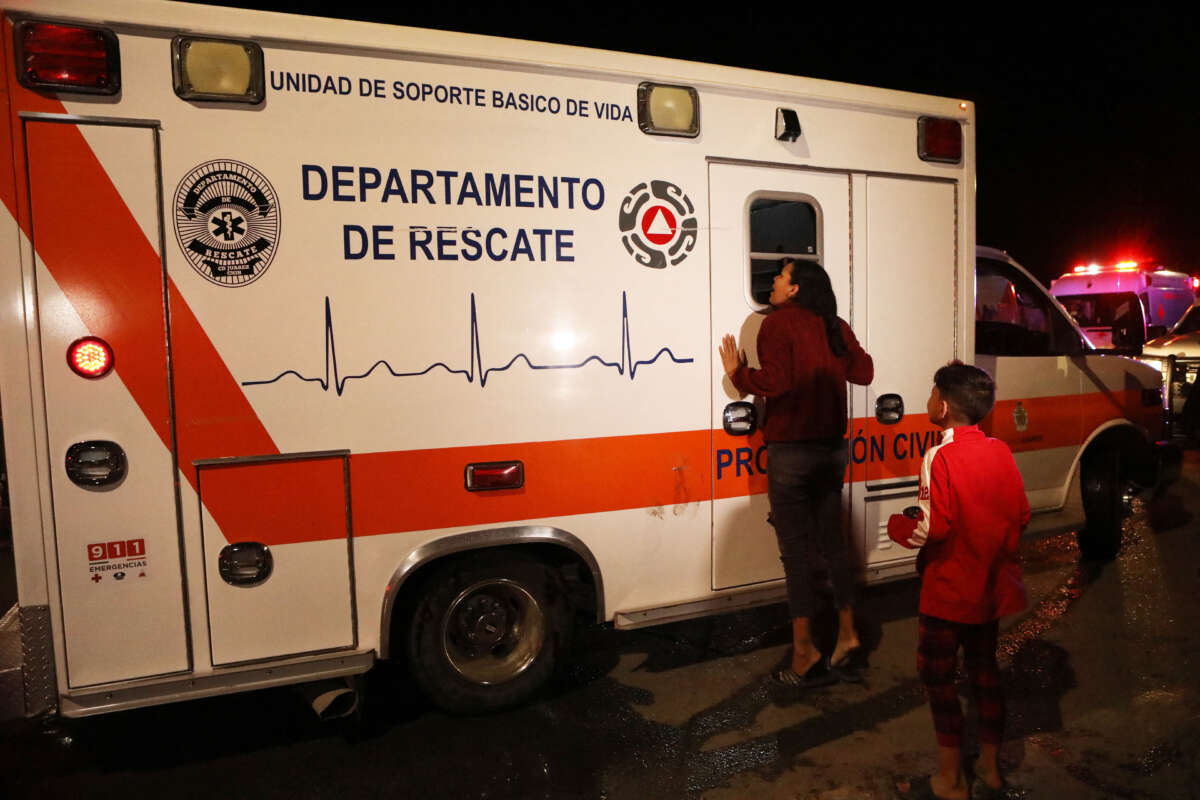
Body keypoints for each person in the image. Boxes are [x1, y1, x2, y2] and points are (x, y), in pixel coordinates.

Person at [718, 258, 873, 688]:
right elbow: (864, 372)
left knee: (796, 554)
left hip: (791, 454)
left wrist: (738, 373)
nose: (773, 282)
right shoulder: (834, 325)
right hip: (832, 452)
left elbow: (776, 383)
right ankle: (847, 632)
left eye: (781, 277)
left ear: (796, 289)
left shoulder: (778, 324)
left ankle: (805, 650)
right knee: (833, 545)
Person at [887, 363, 1030, 800]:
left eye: (932, 395)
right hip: (990, 588)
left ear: (944, 407)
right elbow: (1021, 514)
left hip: (948, 590)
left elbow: (934, 527)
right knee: (985, 673)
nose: (928, 401)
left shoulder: (939, 456)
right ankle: (990, 768)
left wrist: (898, 526)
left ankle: (950, 779)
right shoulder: (1000, 452)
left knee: (939, 678)